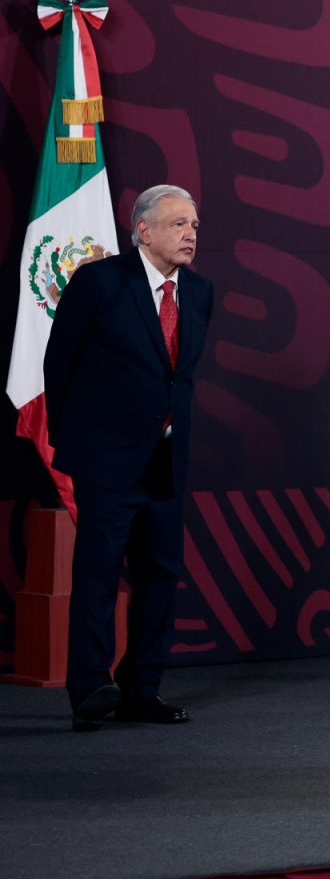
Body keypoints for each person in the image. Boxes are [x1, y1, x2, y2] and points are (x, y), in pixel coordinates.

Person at [44, 184, 213, 732]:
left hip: (166, 461)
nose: (190, 233)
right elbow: (58, 366)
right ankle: (92, 686)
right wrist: (81, 445)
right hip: (107, 461)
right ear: (143, 229)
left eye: (193, 224)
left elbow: (175, 378)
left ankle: (142, 687)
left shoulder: (201, 292)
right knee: (97, 575)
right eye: (178, 224)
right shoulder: (99, 283)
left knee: (159, 576)